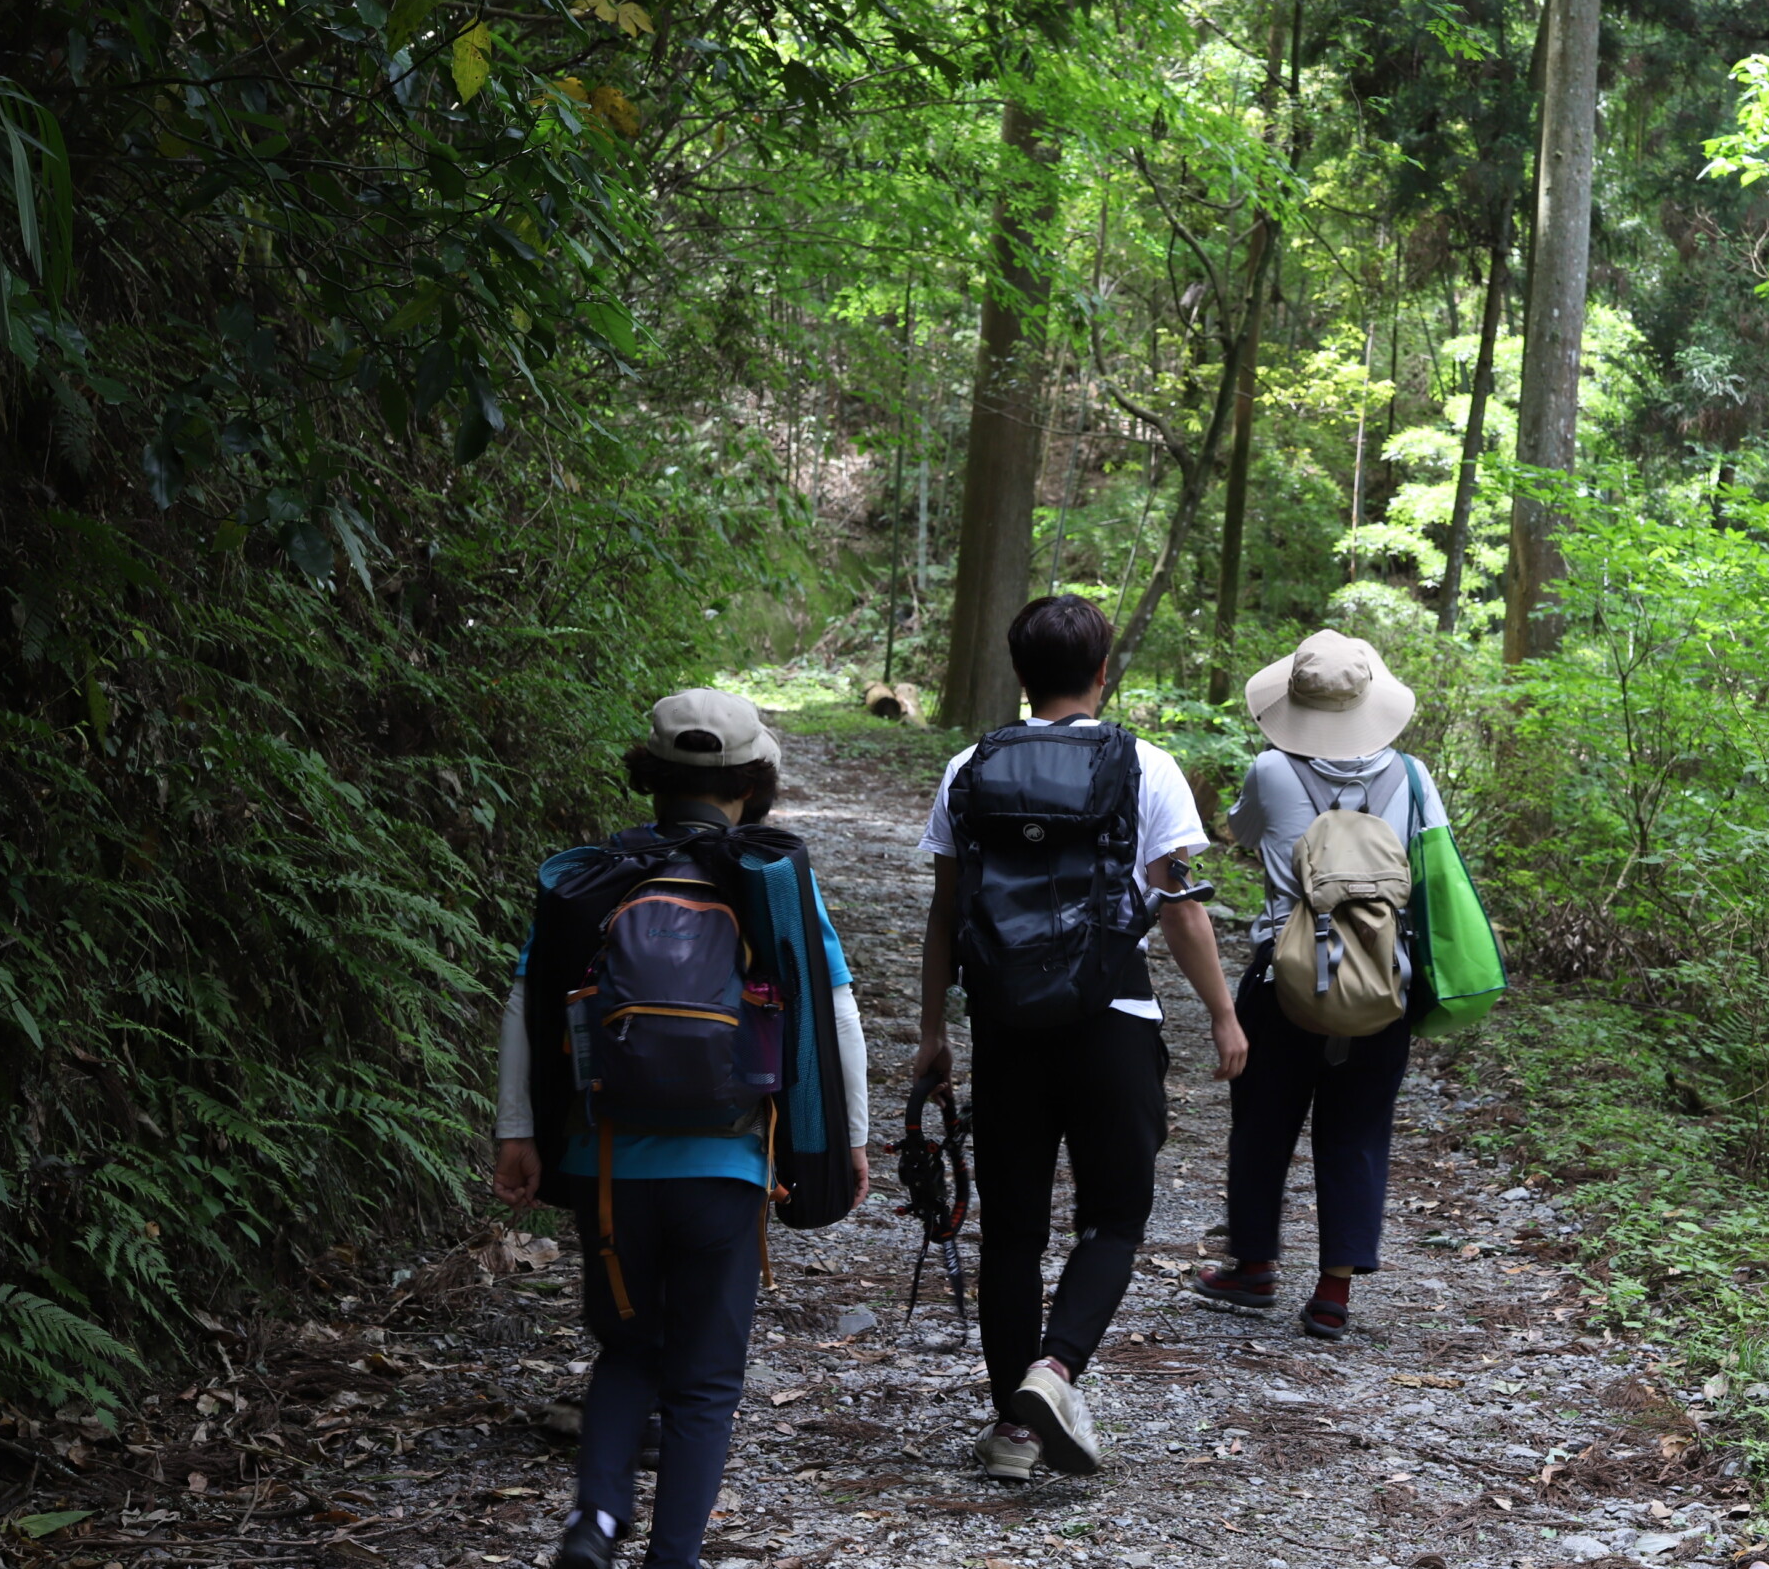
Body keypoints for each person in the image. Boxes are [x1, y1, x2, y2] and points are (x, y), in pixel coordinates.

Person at [491, 690, 871, 1569]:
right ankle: (674, 1556)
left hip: (610, 1163)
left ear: (651, 778)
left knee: (627, 1349)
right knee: (704, 1379)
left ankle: (594, 1521)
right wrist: (846, 1139)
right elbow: (836, 1009)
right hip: (726, 1169)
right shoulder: (771, 883)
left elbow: (529, 999)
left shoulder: (597, 879)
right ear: (752, 781)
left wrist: (519, 1129)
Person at [915, 595, 1247, 1481]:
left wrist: (932, 1030)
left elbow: (947, 913)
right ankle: (1055, 1371)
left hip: (1006, 1026)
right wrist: (1222, 1011)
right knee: (1113, 1217)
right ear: (1105, 672)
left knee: (1013, 1231)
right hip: (1114, 1020)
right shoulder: (1146, 764)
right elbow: (1176, 908)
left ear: (1020, 677)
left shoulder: (968, 767)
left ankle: (1014, 1434)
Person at [1192, 630, 1447, 1338]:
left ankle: (1254, 1266)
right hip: (1381, 983)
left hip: (1285, 982)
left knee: (1264, 1124)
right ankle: (1333, 1292)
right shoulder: (1414, 776)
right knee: (1359, 1129)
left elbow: (1239, 833)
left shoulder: (1272, 770)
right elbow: (1434, 868)